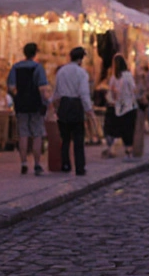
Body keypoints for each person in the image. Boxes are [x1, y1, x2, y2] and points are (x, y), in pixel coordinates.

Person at [7, 42, 50, 176]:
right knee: (37, 134)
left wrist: (17, 96)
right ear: (35, 53)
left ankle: (24, 163)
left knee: (23, 133)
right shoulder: (38, 67)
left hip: (21, 104)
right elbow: (42, 88)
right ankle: (37, 164)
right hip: (35, 103)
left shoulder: (16, 67)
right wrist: (46, 102)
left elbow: (10, 86)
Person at [51, 47, 93, 176]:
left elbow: (56, 91)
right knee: (78, 138)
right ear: (81, 59)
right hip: (76, 104)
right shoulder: (81, 73)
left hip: (64, 104)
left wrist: (54, 105)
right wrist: (89, 109)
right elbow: (84, 93)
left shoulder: (61, 71)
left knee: (65, 138)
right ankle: (80, 167)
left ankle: (65, 164)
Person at [105, 56, 139, 160]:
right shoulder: (128, 75)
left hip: (119, 107)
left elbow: (111, 91)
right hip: (129, 106)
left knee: (122, 129)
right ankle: (129, 151)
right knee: (129, 129)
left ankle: (118, 149)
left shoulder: (114, 77)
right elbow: (134, 89)